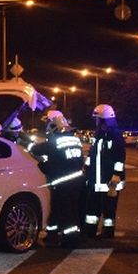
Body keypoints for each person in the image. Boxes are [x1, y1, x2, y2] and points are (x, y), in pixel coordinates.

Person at [29, 110, 85, 246]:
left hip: (63, 182)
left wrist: (28, 144)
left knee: (64, 211)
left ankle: (68, 240)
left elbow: (37, 150)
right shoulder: (75, 140)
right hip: (77, 181)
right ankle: (54, 235)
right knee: (70, 210)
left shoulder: (55, 141)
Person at [84, 104, 126, 238]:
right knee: (92, 208)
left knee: (109, 210)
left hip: (110, 181)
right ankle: (90, 231)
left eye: (97, 119)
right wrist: (86, 169)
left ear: (104, 120)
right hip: (95, 180)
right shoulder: (98, 135)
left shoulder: (115, 136)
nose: (95, 121)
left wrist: (116, 176)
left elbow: (119, 158)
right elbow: (92, 155)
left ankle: (108, 233)